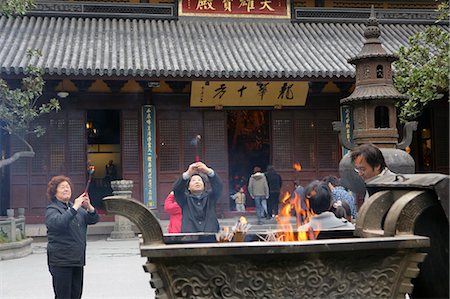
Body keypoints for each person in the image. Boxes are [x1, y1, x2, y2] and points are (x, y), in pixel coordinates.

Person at [45, 175, 99, 299]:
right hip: (61, 261)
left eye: (68, 187)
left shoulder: (77, 209)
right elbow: (59, 223)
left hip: (77, 260)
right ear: (54, 191)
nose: (66, 189)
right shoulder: (52, 209)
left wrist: (89, 207)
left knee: (76, 295)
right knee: (63, 296)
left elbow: (93, 219)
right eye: (62, 187)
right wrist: (75, 207)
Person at [173, 161, 223, 233]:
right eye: (193, 180)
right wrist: (188, 174)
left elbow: (218, 186)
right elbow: (177, 190)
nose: (197, 182)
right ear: (188, 187)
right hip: (190, 238)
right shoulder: (184, 200)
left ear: (204, 185)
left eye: (199, 180)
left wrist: (208, 171)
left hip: (210, 236)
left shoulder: (211, 197)